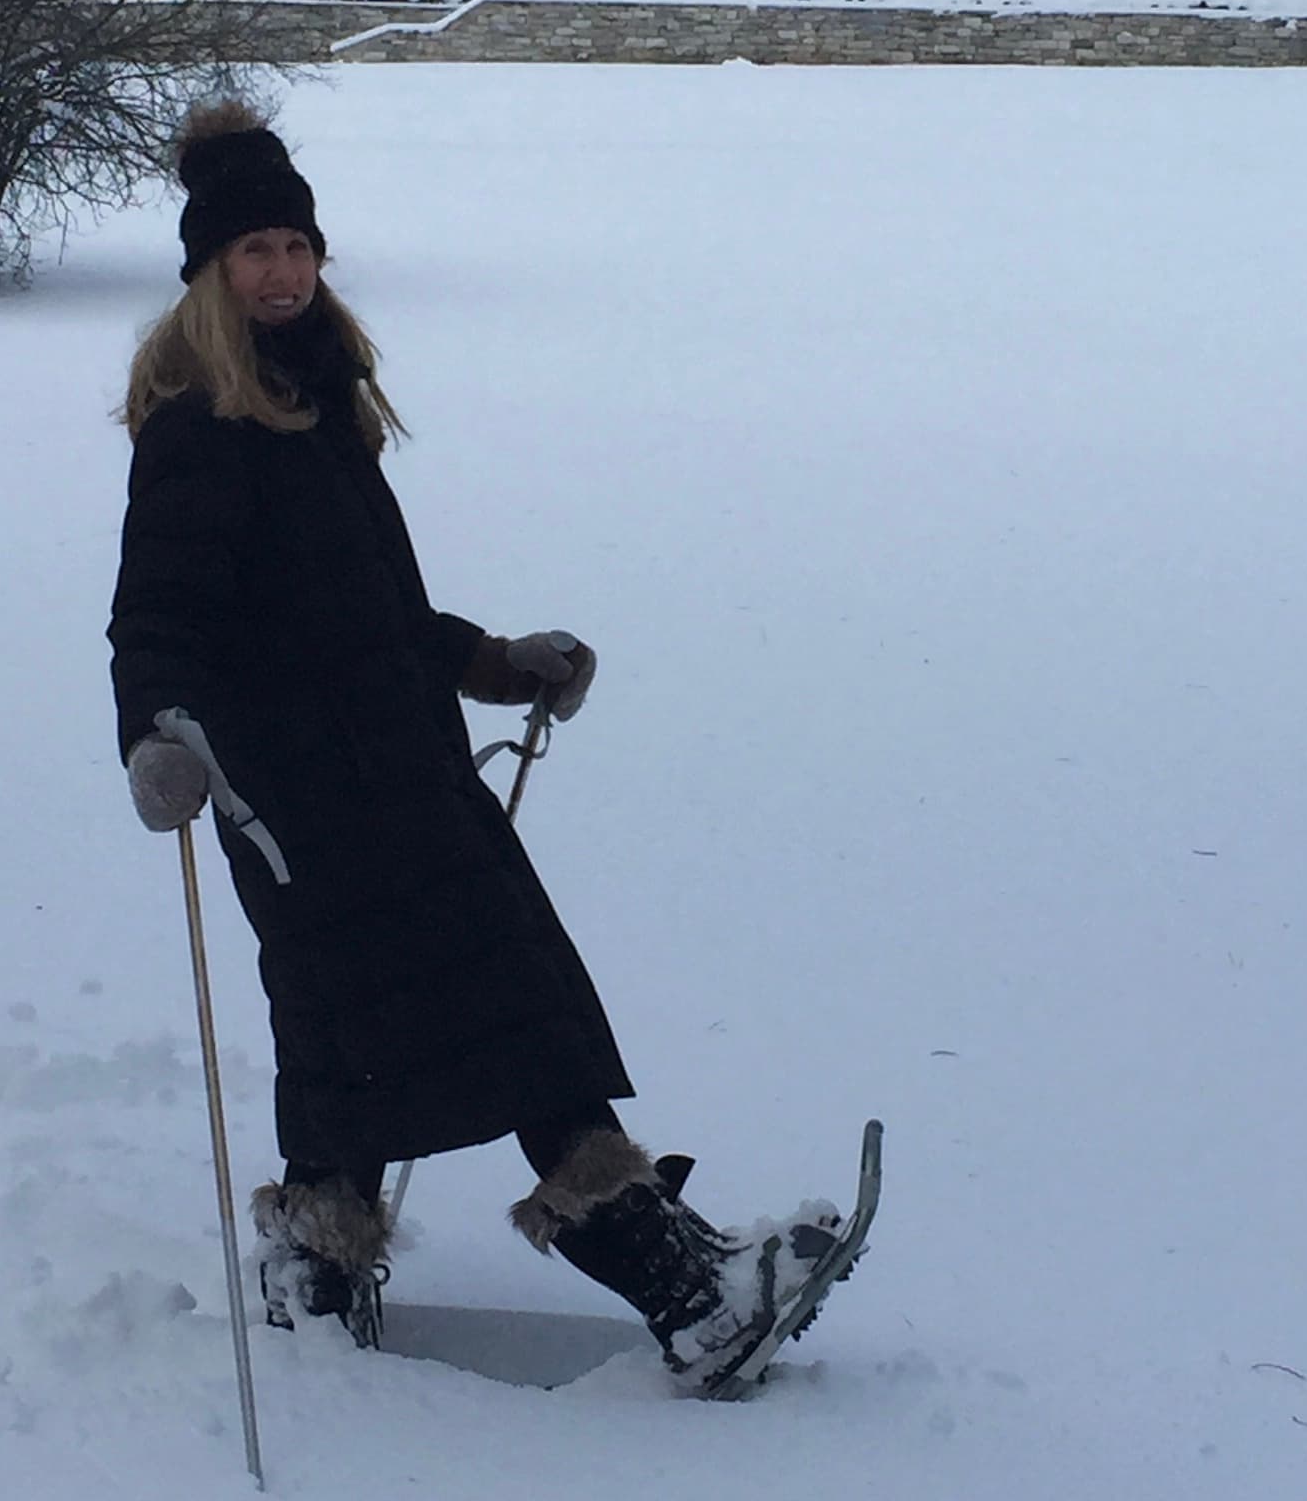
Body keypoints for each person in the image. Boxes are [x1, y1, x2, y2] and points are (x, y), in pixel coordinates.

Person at [108, 104, 841, 1382]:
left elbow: (373, 610)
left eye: (297, 246)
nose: (283, 273)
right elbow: (152, 623)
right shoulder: (197, 426)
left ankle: (316, 1277)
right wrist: (157, 741)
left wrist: (496, 663)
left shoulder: (318, 402)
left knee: (387, 1039)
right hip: (296, 799)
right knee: (488, 1013)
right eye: (254, 253)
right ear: (210, 274)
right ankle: (691, 1294)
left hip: (401, 770)